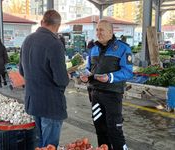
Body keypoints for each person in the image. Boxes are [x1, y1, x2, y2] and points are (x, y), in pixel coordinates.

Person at [19, 10, 69, 148]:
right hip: (51, 105)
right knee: (49, 146)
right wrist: (67, 76)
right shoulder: (55, 44)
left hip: (33, 102)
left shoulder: (27, 40)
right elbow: (61, 80)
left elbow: (21, 71)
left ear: (42, 22)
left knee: (40, 144)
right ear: (58, 26)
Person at [80, 20, 133, 150]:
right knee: (100, 129)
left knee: (115, 130)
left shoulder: (123, 48)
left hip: (113, 96)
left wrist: (110, 77)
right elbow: (89, 69)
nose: (98, 33)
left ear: (110, 31)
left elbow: (128, 71)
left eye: (101, 30)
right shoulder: (93, 49)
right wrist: (85, 77)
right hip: (95, 95)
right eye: (97, 30)